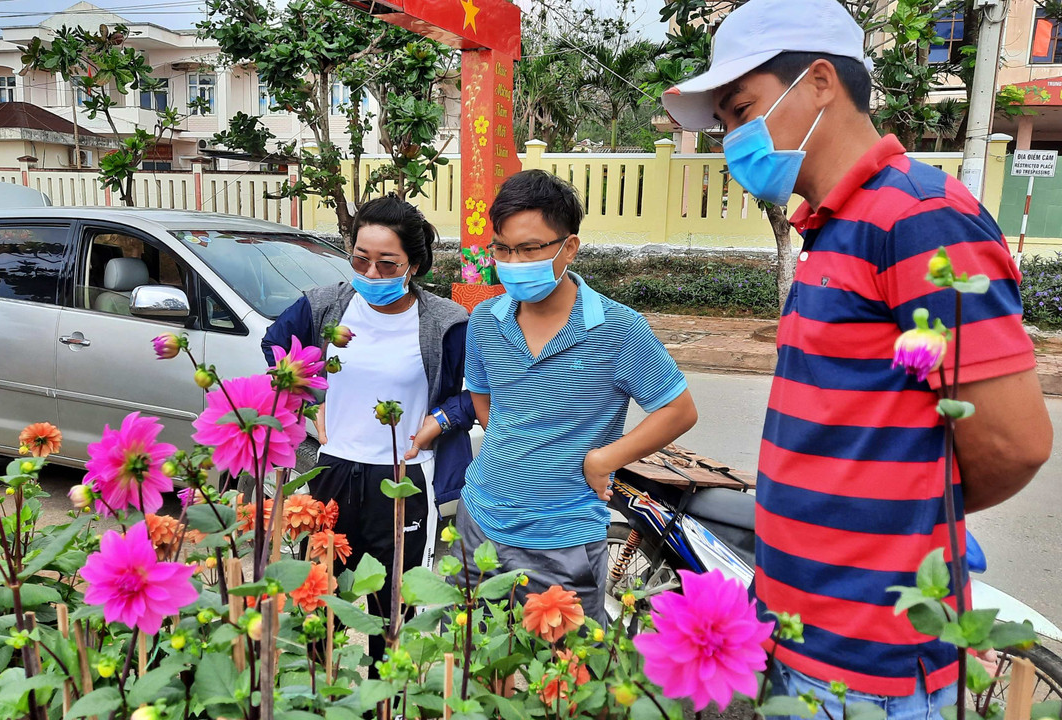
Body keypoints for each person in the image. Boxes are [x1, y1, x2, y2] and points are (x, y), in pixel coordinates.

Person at [662, 0, 1053, 714]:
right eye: (724, 125)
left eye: (741, 111)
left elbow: (1013, 442)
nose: (733, 140)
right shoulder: (835, 228)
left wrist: (903, 524)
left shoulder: (919, 217)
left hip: (872, 662)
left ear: (819, 82)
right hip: (803, 636)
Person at [444, 169, 696, 625]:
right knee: (466, 657)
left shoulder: (618, 329)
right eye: (502, 249)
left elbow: (678, 410)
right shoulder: (484, 320)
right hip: (478, 522)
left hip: (564, 541)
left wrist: (604, 460)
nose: (514, 262)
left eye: (530, 249)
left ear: (569, 247)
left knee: (563, 666)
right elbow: (484, 402)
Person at [261, 195, 474, 670]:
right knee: (318, 603)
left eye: (387, 263)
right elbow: (275, 346)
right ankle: (318, 691)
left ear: (414, 264)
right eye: (360, 259)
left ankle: (387, 697)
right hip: (333, 473)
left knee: (393, 612)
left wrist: (440, 421)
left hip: (404, 480)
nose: (371, 274)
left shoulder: (445, 322)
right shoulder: (325, 306)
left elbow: (476, 391)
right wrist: (308, 398)